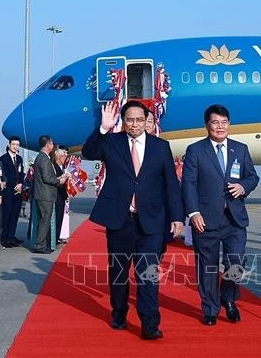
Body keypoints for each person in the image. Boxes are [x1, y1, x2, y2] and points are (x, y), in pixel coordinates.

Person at [82, 100, 184, 340]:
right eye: (130, 120)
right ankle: (119, 312)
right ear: (123, 121)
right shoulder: (112, 142)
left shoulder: (160, 147)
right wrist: (103, 128)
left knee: (148, 272)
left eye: (140, 120)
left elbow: (171, 184)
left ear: (148, 121)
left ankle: (150, 323)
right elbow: (89, 152)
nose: (135, 124)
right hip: (120, 220)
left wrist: (177, 217)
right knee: (118, 271)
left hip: (151, 221)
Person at [181, 104, 260, 326]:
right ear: (207, 125)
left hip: (234, 219)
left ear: (229, 125)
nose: (220, 127)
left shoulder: (240, 149)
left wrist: (243, 187)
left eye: (224, 122)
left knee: (236, 261)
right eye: (215, 122)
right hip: (205, 219)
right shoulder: (195, 150)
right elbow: (188, 184)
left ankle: (229, 298)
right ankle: (210, 308)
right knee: (208, 266)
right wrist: (193, 213)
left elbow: (252, 177)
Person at [33, 135, 67, 254]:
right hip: (45, 194)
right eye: (52, 144)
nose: (53, 147)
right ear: (48, 145)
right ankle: (39, 245)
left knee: (44, 219)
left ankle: (41, 244)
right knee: (45, 220)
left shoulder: (42, 157)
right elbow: (47, 178)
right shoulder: (44, 159)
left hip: (44, 194)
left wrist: (58, 178)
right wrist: (59, 181)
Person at [0, 136, 25, 248]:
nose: (15, 147)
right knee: (7, 215)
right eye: (13, 144)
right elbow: (3, 174)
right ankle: (4, 238)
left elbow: (21, 173)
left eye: (17, 145)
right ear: (9, 145)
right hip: (8, 191)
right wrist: (11, 185)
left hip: (18, 191)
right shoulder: (3, 158)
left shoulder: (19, 159)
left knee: (15, 215)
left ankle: (11, 236)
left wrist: (21, 185)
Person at [52, 145, 69, 244]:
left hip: (62, 196)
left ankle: (57, 237)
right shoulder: (53, 166)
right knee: (56, 218)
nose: (65, 157)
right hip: (56, 195)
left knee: (60, 218)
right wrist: (62, 179)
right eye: (64, 155)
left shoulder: (64, 167)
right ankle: (53, 238)